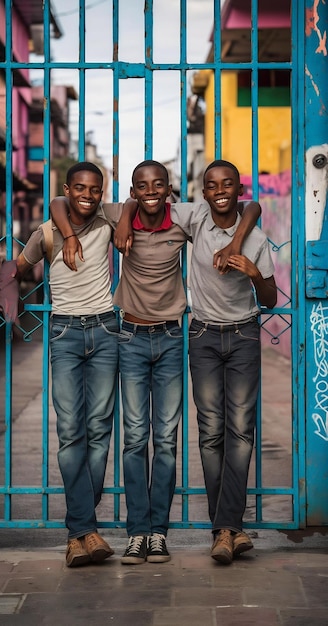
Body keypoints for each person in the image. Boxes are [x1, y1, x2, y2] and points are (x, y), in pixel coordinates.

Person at [50, 160, 262, 565]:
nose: (151, 191)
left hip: (169, 339)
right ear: (132, 190)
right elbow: (62, 200)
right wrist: (122, 217)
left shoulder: (185, 219)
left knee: (165, 439)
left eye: (158, 185)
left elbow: (249, 207)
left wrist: (235, 246)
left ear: (169, 189)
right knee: (134, 438)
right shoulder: (114, 214)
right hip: (128, 337)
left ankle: (159, 533)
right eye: (141, 186)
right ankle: (137, 532)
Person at [0, 162, 119, 568]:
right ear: (68, 189)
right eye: (79, 188)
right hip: (64, 334)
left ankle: (81, 527)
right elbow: (18, 266)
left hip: (105, 331)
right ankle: (84, 529)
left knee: (99, 427)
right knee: (70, 431)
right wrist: (6, 284)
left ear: (102, 192)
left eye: (95, 189)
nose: (88, 195)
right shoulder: (46, 232)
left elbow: (134, 205)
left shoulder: (108, 222)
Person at [171, 160, 277, 565]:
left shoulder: (256, 239)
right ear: (203, 191)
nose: (219, 190)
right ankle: (227, 527)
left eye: (227, 183)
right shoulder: (196, 219)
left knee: (241, 431)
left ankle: (226, 525)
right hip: (203, 335)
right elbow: (148, 201)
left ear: (237, 188)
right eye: (212, 184)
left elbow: (269, 299)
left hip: (244, 335)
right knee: (211, 430)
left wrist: (252, 272)